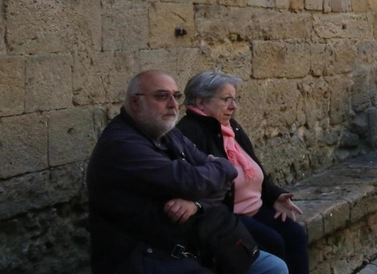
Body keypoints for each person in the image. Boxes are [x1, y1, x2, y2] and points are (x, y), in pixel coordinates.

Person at [87, 70, 289, 274]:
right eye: (162, 96)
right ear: (135, 102)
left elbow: (228, 174)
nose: (173, 105)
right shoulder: (122, 144)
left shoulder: (169, 133)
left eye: (176, 96)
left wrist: (198, 204)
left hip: (196, 241)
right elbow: (190, 181)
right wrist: (212, 174)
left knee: (274, 266)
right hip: (149, 255)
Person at [177, 71, 308, 274]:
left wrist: (275, 195)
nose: (233, 106)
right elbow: (196, 185)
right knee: (272, 242)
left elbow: (254, 168)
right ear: (201, 102)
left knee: (295, 234)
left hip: (255, 209)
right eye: (226, 99)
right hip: (225, 216)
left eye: (235, 99)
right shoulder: (189, 133)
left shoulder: (230, 127)